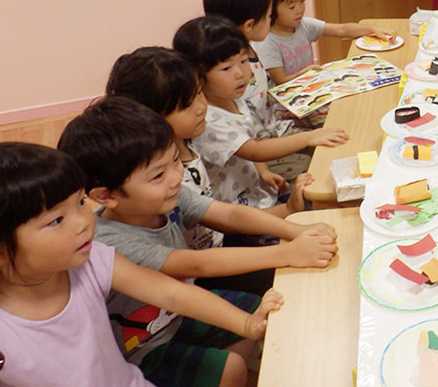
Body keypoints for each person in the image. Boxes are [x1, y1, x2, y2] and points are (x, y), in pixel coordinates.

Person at [0, 142, 283, 387]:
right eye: (56, 220)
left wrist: (247, 324)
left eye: (80, 203)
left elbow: (172, 293)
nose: (84, 223)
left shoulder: (91, 260)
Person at [105, 48, 337, 294]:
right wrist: (287, 249)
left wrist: (291, 216)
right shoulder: (160, 181)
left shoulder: (185, 144)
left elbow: (228, 216)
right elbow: (199, 264)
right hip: (197, 276)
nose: (201, 107)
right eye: (186, 105)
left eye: (199, 95)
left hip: (218, 245)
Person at [173, 15, 348, 212]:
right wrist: (310, 137)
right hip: (239, 210)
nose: (240, 73)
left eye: (243, 61)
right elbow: (254, 150)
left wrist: (263, 171)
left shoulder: (232, 96)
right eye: (226, 68)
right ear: (197, 75)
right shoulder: (209, 120)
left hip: (258, 191)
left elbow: (250, 137)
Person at [203, 0, 314, 183]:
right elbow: (253, 144)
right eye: (270, 16)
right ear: (249, 25)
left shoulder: (247, 52)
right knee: (318, 167)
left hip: (274, 132)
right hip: (261, 152)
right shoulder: (230, 77)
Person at [254, 0, 396, 86]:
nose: (300, 9)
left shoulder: (301, 25)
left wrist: (372, 29)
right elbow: (281, 82)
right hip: (288, 103)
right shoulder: (268, 41)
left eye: (302, 1)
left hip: (310, 87)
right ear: (270, 9)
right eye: (291, 7)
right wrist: (303, 76)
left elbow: (341, 30)